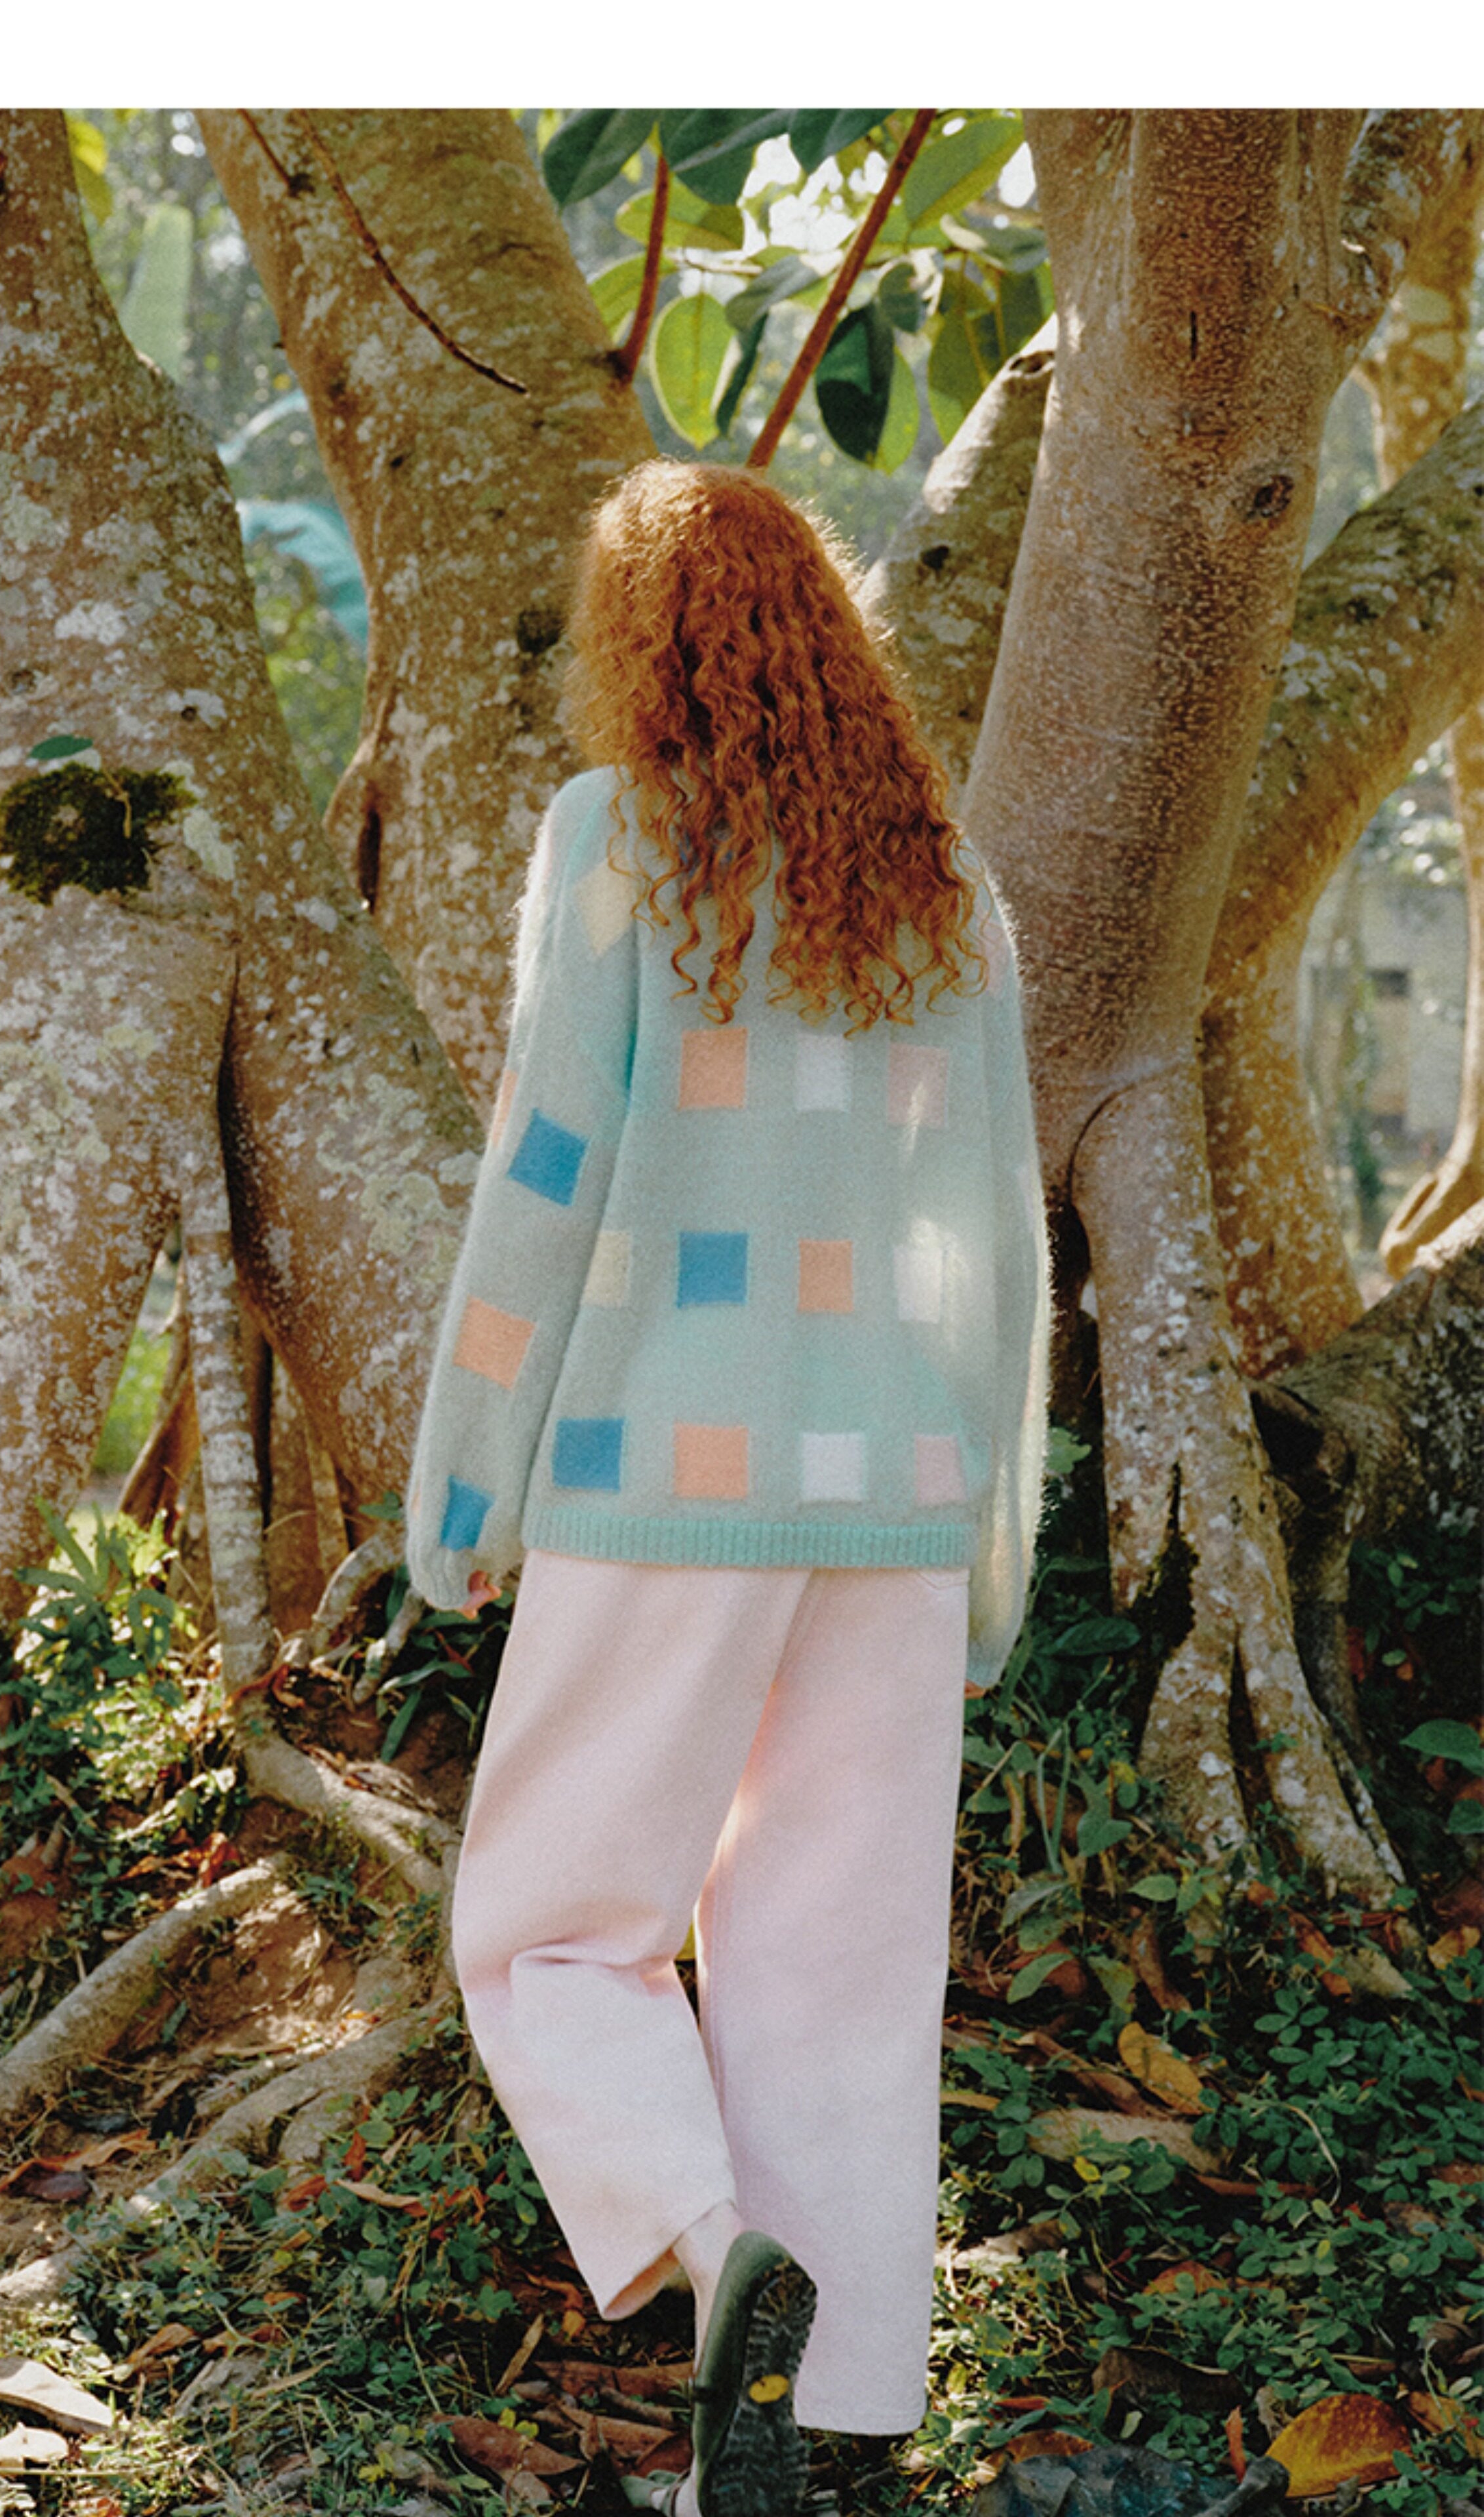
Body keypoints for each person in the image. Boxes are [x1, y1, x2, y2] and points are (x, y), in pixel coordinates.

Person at [405, 460, 1050, 2517]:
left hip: (657, 1477)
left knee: (547, 1931)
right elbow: (997, 1248)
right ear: (827, 633)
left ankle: (712, 2252)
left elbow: (543, 1186)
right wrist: (992, 1558)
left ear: (640, 646)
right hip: (894, 1502)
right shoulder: (949, 886)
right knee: (837, 1979)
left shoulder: (616, 843)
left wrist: (461, 1495)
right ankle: (830, 2444)